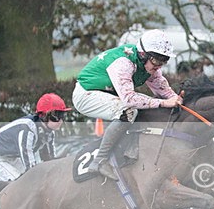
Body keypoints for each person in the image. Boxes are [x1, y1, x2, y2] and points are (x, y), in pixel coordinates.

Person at [72, 29, 183, 180]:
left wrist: (178, 100)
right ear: (143, 55)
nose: (159, 66)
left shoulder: (148, 65)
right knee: (129, 111)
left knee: (145, 105)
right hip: (86, 94)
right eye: (157, 61)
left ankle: (130, 150)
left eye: (164, 61)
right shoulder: (124, 63)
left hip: (107, 93)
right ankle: (99, 160)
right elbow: (129, 99)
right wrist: (163, 103)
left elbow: (165, 92)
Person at [0, 93, 71, 184]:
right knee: (19, 182)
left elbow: (50, 160)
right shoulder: (28, 128)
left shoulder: (49, 132)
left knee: (32, 179)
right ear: (43, 116)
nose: (61, 121)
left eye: (62, 115)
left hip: (13, 158)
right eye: (56, 116)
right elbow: (30, 164)